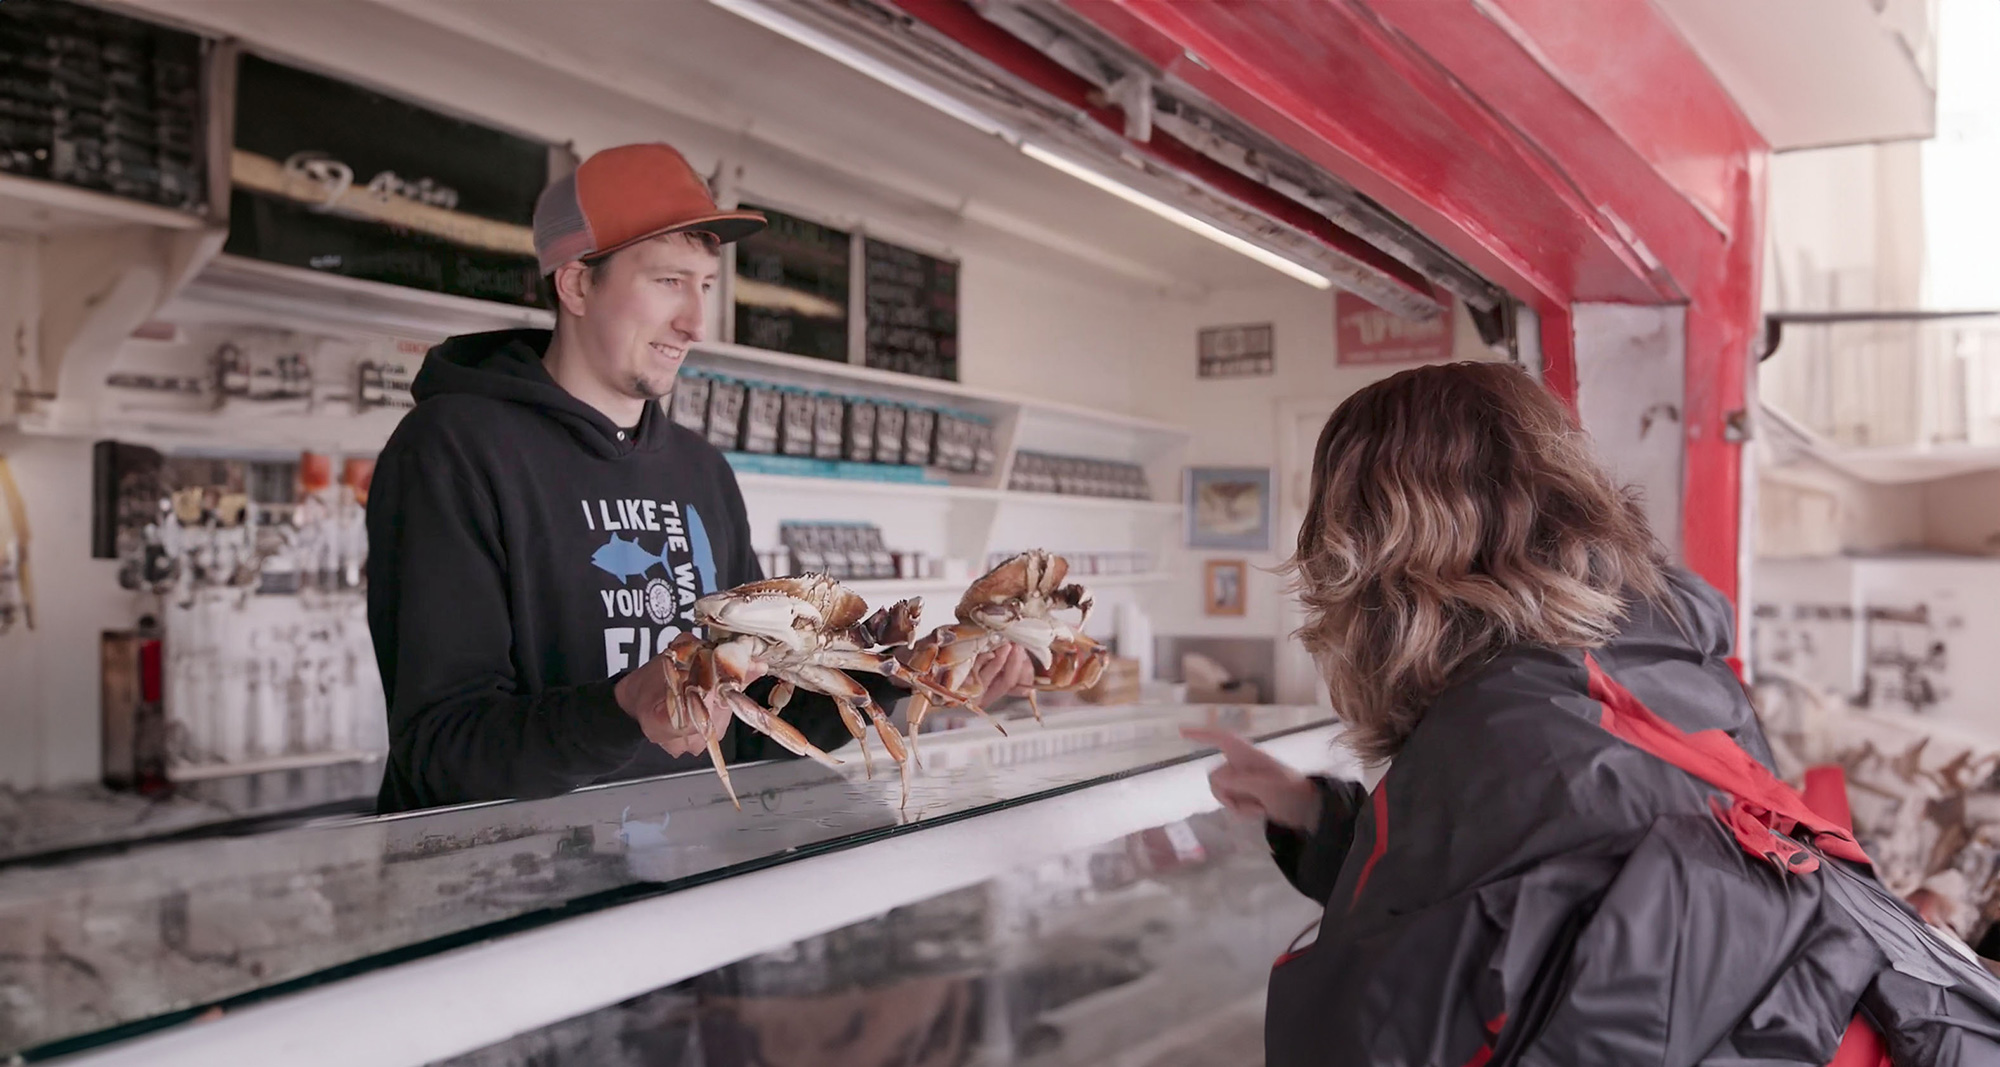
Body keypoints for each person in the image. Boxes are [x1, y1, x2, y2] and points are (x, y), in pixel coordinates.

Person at [1189, 362, 2000, 1066]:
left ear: (1373, 561)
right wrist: (1321, 818)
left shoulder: (1487, 739)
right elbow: (1548, 923)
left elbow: (1384, 1027)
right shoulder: (1667, 665)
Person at [366, 142, 1032, 813]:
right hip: (503, 894)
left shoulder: (701, 472)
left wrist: (916, 680)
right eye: (667, 282)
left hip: (673, 885)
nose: (696, 323)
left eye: (705, 285)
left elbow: (753, 724)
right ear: (575, 284)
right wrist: (624, 706)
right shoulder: (452, 449)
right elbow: (439, 749)